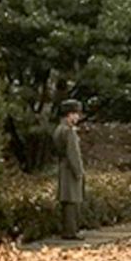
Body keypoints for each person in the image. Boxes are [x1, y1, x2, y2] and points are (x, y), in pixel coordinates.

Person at [53, 99, 85, 240]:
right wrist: (79, 171)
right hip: (70, 169)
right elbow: (73, 153)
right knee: (72, 200)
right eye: (76, 114)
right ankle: (71, 231)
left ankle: (68, 230)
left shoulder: (59, 129)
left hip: (63, 167)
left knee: (67, 200)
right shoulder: (69, 131)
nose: (77, 117)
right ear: (69, 114)